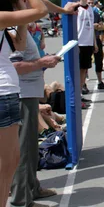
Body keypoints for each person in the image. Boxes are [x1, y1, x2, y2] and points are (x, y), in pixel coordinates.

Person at [0, 0, 48, 206]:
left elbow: (18, 44)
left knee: (9, 161)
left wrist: (20, 10)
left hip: (7, 94)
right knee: (8, 163)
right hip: (3, 94)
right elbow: (41, 9)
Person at [9, 22, 61, 207]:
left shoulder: (18, 26)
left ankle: (31, 188)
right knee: (23, 150)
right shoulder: (10, 28)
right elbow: (15, 67)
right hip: (20, 94)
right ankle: (22, 199)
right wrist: (41, 62)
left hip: (28, 92)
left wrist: (44, 62)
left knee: (30, 148)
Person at [76, 0, 98, 99]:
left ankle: (80, 91)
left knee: (84, 69)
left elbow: (92, 27)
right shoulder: (76, 8)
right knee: (78, 69)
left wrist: (95, 43)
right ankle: (76, 94)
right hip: (80, 43)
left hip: (88, 42)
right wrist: (75, 44)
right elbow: (74, 28)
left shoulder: (90, 9)